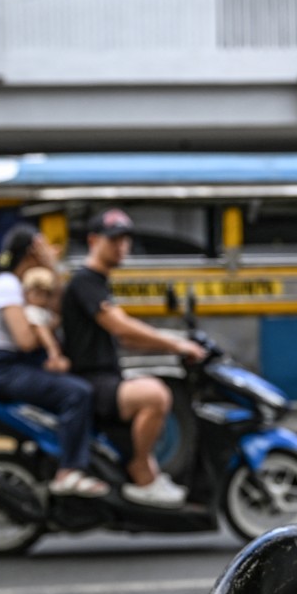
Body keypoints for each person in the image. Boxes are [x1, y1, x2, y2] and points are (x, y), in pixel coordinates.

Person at [61, 209, 206, 508]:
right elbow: (120, 326)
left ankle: (147, 473)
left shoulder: (98, 282)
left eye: (125, 240)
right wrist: (177, 344)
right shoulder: (85, 282)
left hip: (105, 377)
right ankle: (140, 472)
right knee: (155, 396)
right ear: (93, 241)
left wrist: (172, 344)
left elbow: (126, 337)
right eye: (113, 240)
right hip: (92, 380)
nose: (121, 246)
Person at [0, 224, 108, 498]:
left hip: (15, 365)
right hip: (3, 368)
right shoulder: (7, 286)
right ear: (32, 251)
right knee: (76, 393)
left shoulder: (20, 286)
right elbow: (26, 340)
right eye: (45, 246)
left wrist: (53, 274)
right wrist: (45, 327)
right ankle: (69, 470)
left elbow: (56, 311)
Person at [22, 267, 70, 374]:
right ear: (26, 293)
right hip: (38, 353)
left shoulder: (44, 311)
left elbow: (54, 322)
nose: (41, 298)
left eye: (45, 294)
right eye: (37, 293)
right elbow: (41, 330)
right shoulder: (32, 311)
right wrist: (53, 351)